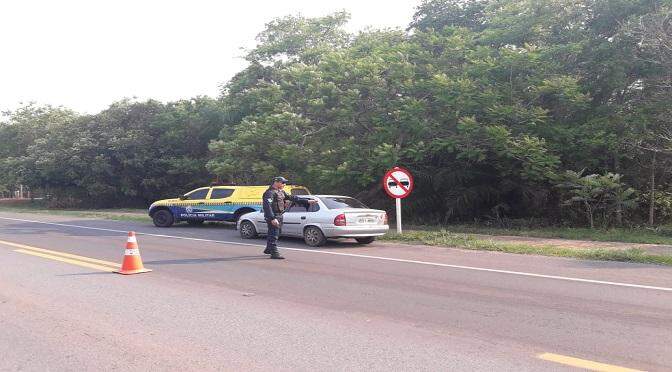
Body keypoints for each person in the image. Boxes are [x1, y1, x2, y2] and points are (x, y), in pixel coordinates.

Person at [262, 176, 317, 259]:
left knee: (275, 233)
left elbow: (292, 198)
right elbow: (267, 207)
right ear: (276, 182)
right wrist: (272, 218)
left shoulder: (280, 192)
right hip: (274, 216)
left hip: (279, 215)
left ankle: (269, 249)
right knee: (274, 234)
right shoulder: (269, 193)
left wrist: (307, 201)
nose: (284, 184)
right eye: (283, 182)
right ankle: (274, 253)